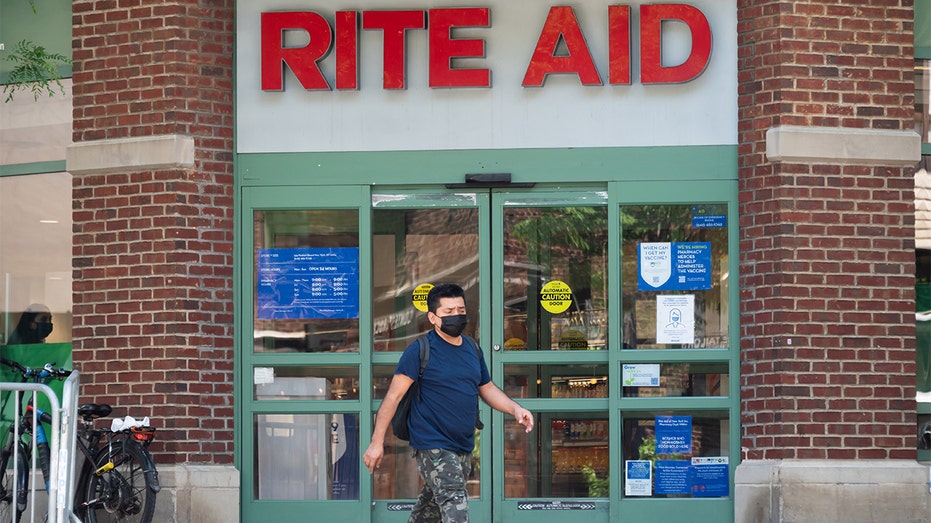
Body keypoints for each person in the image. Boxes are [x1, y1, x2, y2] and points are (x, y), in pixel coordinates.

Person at [363, 283, 534, 522]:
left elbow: (487, 388)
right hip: (432, 443)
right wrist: (376, 442)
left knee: (429, 512)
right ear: (433, 317)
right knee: (455, 503)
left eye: (460, 310)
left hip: (462, 445)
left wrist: (515, 408)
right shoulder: (420, 350)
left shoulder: (472, 349)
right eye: (449, 311)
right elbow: (393, 396)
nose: (457, 316)